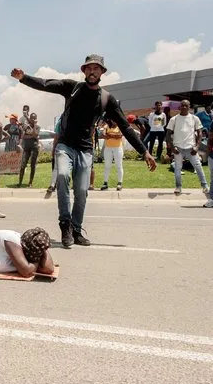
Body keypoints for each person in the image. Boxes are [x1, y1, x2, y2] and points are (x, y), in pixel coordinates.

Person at [11, 54, 156, 248]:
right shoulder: (72, 88)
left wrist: (144, 151)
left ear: (102, 72)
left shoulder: (106, 99)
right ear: (84, 71)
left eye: (96, 68)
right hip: (65, 145)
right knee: (62, 175)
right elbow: (46, 83)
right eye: (89, 68)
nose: (92, 71)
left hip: (86, 150)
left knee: (81, 191)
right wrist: (24, 78)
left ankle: (76, 229)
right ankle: (65, 224)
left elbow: (125, 127)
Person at [165, 100, 209, 195]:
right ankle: (178, 187)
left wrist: (197, 147)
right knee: (177, 168)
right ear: (179, 107)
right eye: (182, 105)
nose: (184, 107)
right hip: (178, 149)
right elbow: (168, 135)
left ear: (189, 107)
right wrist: (172, 148)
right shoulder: (174, 119)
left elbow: (200, 133)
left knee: (198, 166)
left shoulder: (194, 118)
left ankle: (205, 186)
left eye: (186, 105)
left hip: (191, 148)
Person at [100, 119, 124, 191]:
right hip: (108, 148)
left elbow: (119, 136)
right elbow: (103, 135)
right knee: (107, 166)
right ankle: (105, 183)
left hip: (118, 148)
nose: (113, 121)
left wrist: (109, 135)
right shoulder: (106, 126)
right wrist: (113, 135)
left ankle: (119, 183)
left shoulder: (120, 126)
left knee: (119, 165)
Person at [19, 112, 41, 188]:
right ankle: (20, 182)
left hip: (34, 148)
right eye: (32, 117)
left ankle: (30, 182)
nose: (33, 119)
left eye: (34, 118)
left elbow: (35, 134)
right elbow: (24, 136)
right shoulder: (26, 126)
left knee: (33, 165)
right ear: (29, 118)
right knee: (23, 165)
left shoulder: (37, 126)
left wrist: (34, 126)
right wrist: (32, 136)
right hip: (26, 147)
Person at [46, 115, 62, 196]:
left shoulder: (59, 123)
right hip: (69, 148)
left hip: (59, 147)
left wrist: (53, 149)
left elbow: (56, 137)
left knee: (56, 168)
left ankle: (52, 185)